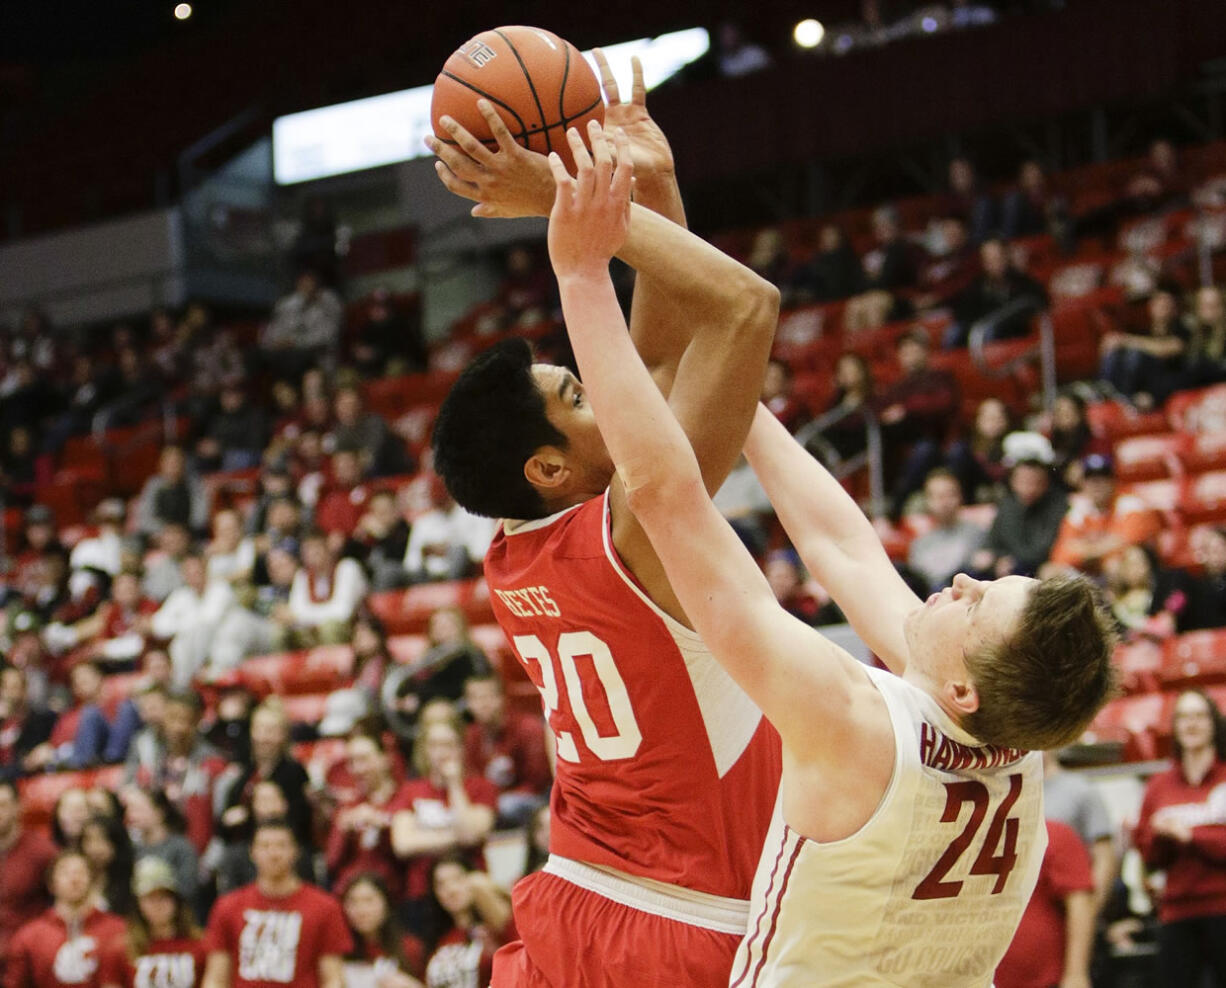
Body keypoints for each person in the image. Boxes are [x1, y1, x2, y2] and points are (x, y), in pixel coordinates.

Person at [543, 118, 1116, 984]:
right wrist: (736, 400)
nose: (958, 579)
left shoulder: (853, 725)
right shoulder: (1017, 736)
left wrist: (583, 276)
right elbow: (844, 546)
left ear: (965, 683)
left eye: (974, 603)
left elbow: (666, 499)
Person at [428, 57, 782, 986]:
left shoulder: (512, 552)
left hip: (572, 902)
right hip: (686, 925)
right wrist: (561, 194)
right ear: (549, 468)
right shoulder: (638, 528)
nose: (607, 390)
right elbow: (743, 308)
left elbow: (657, 364)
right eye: (576, 393)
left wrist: (651, 186)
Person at [1133, 689, 1226, 987]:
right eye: (1184, 717)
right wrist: (1158, 837)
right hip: (1177, 912)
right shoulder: (1159, 785)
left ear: (1214, 723)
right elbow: (1150, 857)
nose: (1191, 724)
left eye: (1199, 716)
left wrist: (1189, 836)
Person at [201, 819, 351, 988]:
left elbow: (333, 978)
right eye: (265, 846)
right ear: (252, 852)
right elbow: (216, 978)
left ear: (295, 851)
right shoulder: (227, 906)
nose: (274, 853)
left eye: (282, 846)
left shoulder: (325, 907)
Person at [994, 819, 1096, 988]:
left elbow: (1080, 906)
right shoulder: (964, 838)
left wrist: (1076, 974)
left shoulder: (1054, 834)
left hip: (1045, 981)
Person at [4, 849, 126, 988]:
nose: (74, 879)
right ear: (51, 884)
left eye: (80, 872)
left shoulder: (118, 930)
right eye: (65, 873)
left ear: (92, 880)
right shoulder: (29, 937)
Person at [98, 857, 206, 988]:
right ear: (138, 903)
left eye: (164, 897)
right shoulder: (120, 949)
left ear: (176, 901)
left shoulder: (201, 944)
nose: (158, 905)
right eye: (150, 898)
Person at [461, 672, 550, 828]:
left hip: (532, 799)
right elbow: (471, 778)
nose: (483, 704)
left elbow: (537, 783)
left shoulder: (528, 728)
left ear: (502, 698)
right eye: (475, 698)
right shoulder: (471, 735)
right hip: (491, 801)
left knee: (506, 805)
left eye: (488, 697)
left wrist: (490, 801)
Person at [1048, 454, 1161, 576]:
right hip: (1090, 571)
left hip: (1124, 572)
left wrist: (1083, 550)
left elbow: (1128, 542)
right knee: (1049, 571)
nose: (1097, 485)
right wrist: (1103, 548)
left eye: (1102, 478)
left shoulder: (1129, 503)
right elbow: (1060, 555)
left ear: (1113, 481)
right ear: (1083, 484)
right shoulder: (1078, 511)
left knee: (1115, 564)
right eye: (1091, 479)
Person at [973, 434, 1068, 578]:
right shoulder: (1007, 505)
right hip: (1006, 566)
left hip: (1038, 569)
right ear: (1013, 481)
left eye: (1034, 481)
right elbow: (992, 543)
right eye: (1023, 481)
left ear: (1045, 483)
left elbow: (1041, 552)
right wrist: (997, 560)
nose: (1029, 487)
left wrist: (1008, 560)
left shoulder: (1057, 506)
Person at [422, 857, 513, 988]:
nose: (451, 889)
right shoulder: (435, 939)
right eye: (440, 884)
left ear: (475, 880)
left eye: (457, 879)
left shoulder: (496, 926)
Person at [0, 780, 58, 974]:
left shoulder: (42, 852)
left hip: (27, 958)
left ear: (18, 806)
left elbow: (60, 906)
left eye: (3, 805)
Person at [907, 468, 987, 594]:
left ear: (960, 497)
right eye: (938, 496)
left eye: (950, 495)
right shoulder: (920, 543)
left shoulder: (977, 534)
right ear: (927, 501)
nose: (945, 502)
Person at [339, 875, 424, 988]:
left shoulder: (410, 947)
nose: (361, 910)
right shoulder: (339, 950)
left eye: (369, 901)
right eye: (353, 902)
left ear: (386, 904)